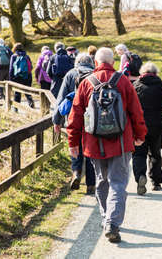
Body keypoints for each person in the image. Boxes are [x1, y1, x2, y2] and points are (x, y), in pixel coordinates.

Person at [67, 47, 147, 243]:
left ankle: (106, 218)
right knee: (118, 183)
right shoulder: (123, 82)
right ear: (112, 63)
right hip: (120, 142)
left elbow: (75, 114)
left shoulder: (86, 83)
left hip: (93, 143)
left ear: (96, 63)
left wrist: (72, 141)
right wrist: (140, 134)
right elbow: (136, 112)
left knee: (102, 181)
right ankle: (112, 223)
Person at [53, 53, 96, 194]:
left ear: (76, 62)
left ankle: (76, 172)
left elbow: (61, 99)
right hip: (91, 118)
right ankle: (91, 184)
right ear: (91, 63)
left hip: (73, 117)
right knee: (90, 148)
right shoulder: (95, 74)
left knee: (75, 144)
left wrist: (56, 120)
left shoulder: (71, 74)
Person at [132, 62, 162, 195]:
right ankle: (156, 181)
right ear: (155, 73)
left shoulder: (135, 86)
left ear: (142, 73)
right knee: (155, 152)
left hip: (139, 124)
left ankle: (140, 177)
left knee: (138, 153)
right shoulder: (161, 86)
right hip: (157, 124)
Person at [9, 43, 34, 109]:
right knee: (27, 91)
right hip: (27, 76)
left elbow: (11, 68)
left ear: (14, 48)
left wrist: (11, 78)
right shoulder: (26, 56)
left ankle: (16, 108)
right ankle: (31, 103)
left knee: (17, 93)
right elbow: (31, 67)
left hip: (17, 77)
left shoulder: (14, 56)